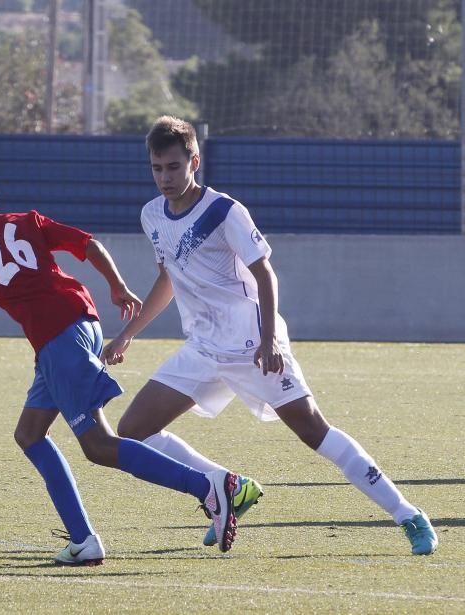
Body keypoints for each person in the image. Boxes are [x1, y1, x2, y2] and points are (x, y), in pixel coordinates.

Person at [102, 116, 438, 556]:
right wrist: (128, 334)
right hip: (203, 347)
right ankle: (227, 488)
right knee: (133, 430)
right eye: (156, 168)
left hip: (249, 342)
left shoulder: (224, 211)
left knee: (313, 430)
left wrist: (269, 340)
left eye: (173, 167)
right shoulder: (151, 215)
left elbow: (264, 273)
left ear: (194, 162)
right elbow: (167, 279)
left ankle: (407, 514)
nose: (165, 177)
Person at [0, 158, 241, 565]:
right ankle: (82, 540)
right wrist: (117, 287)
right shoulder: (26, 220)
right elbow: (89, 245)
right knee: (29, 434)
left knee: (98, 445)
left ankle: (206, 487)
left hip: (59, 341)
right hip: (78, 325)